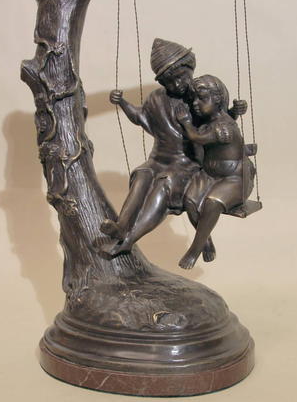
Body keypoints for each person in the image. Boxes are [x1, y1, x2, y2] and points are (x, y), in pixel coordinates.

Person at [100, 39, 247, 259]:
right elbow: (140, 117)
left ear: (190, 69)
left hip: (187, 164)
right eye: (170, 81)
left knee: (163, 185)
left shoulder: (197, 98)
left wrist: (234, 112)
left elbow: (218, 123)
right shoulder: (157, 99)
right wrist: (122, 103)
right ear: (162, 82)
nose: (177, 84)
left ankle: (129, 239)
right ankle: (121, 226)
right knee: (142, 176)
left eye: (181, 77)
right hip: (158, 159)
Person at [175, 75, 255, 269]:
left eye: (202, 98)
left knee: (212, 203)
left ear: (218, 99)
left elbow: (196, 137)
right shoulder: (211, 120)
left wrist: (185, 122)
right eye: (194, 98)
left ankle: (193, 251)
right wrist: (234, 111)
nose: (195, 103)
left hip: (234, 178)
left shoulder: (224, 128)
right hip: (210, 174)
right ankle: (205, 240)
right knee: (190, 201)